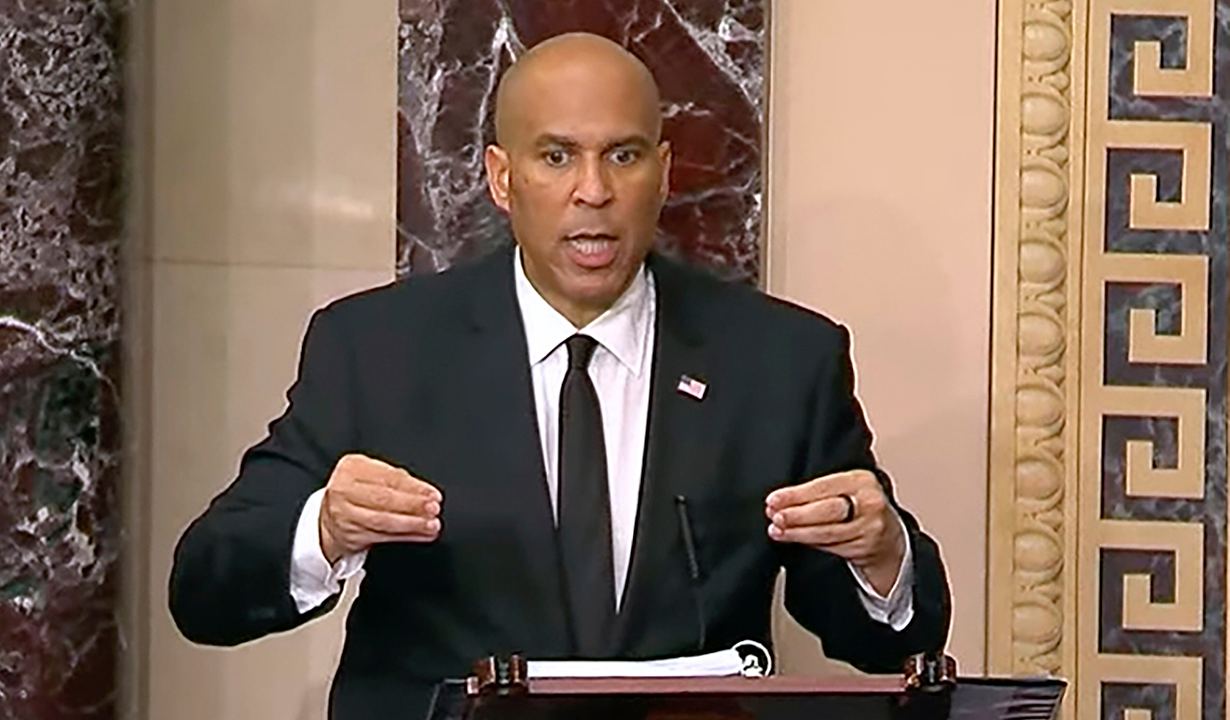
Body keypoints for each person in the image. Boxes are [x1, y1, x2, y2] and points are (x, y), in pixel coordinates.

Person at [169, 33, 951, 720]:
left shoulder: (779, 361)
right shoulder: (377, 350)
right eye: (556, 156)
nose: (594, 191)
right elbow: (206, 591)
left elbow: (895, 643)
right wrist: (325, 530)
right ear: (501, 178)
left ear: (663, 173)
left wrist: (882, 559)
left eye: (623, 155)